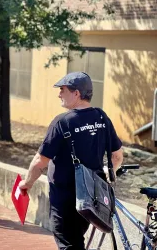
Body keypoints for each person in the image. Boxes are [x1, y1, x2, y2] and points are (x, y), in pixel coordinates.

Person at [19, 72, 124, 250]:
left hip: (65, 199)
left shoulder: (62, 122)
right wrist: (108, 172)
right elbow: (117, 156)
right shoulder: (102, 117)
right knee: (76, 241)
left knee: (69, 244)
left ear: (76, 93)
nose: (59, 94)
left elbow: (40, 161)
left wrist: (26, 184)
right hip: (91, 199)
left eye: (62, 90)